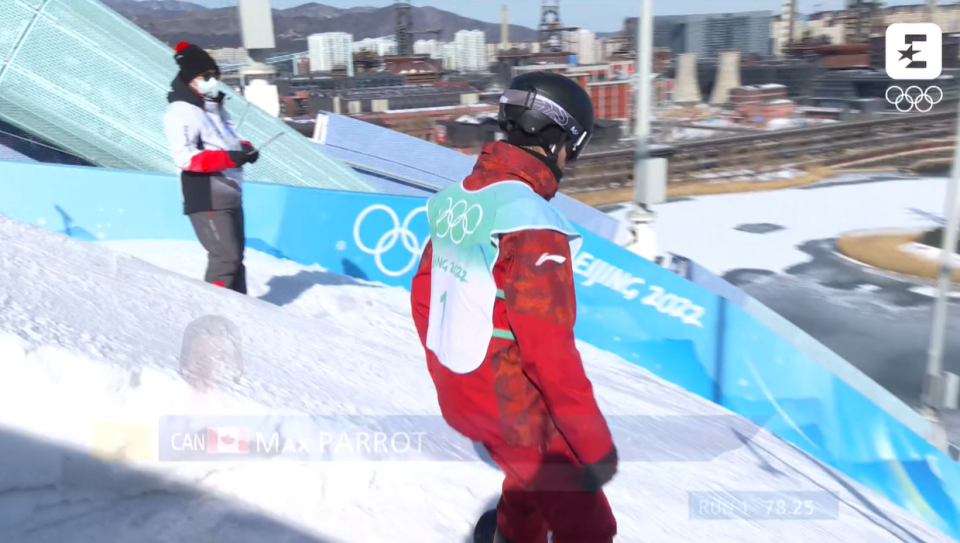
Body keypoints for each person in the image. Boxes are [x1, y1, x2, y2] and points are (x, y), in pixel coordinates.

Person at [410, 72, 618, 543]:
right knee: (591, 528)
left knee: (527, 480)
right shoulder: (533, 224)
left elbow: (424, 295)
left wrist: (449, 369)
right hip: (508, 402)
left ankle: (512, 532)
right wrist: (591, 443)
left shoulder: (457, 199)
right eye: (574, 146)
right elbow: (550, 352)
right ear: (559, 141)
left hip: (462, 388)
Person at [164, 41, 258, 294]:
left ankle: (243, 310)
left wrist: (245, 150)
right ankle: (217, 311)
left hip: (229, 191)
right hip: (206, 195)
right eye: (206, 76)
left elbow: (227, 138)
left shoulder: (213, 106)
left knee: (236, 258)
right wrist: (229, 158)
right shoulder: (180, 111)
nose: (212, 81)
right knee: (224, 258)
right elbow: (186, 158)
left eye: (215, 76)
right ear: (190, 77)